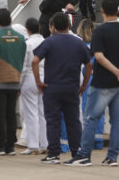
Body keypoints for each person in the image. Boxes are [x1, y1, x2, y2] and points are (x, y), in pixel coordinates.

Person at [65, 0, 119, 167]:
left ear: (102, 11)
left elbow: (98, 56)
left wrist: (115, 71)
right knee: (117, 119)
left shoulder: (100, 31)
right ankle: (112, 156)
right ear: (118, 11)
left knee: (91, 117)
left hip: (103, 82)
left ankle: (84, 155)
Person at [32, 12, 92, 164]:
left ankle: (54, 153)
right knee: (73, 120)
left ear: (52, 26)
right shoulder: (78, 42)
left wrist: (38, 81)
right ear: (69, 25)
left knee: (53, 120)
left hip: (52, 87)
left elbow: (35, 60)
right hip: (72, 87)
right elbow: (89, 65)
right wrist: (84, 84)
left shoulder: (49, 42)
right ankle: (77, 153)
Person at [0, 8, 26, 156]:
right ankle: (10, 147)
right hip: (15, 80)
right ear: (10, 19)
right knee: (11, 115)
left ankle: (0, 147)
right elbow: (22, 57)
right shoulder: (21, 38)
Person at [19, 18, 47, 155]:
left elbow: (24, 65)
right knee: (43, 113)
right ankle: (45, 143)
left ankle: (33, 144)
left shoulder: (27, 43)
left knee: (31, 113)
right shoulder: (46, 42)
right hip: (45, 77)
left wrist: (19, 82)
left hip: (30, 77)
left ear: (27, 30)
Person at [76, 19, 104, 152]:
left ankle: (86, 139)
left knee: (85, 109)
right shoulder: (98, 46)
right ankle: (98, 140)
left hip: (86, 79)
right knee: (99, 109)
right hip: (99, 79)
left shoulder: (80, 46)